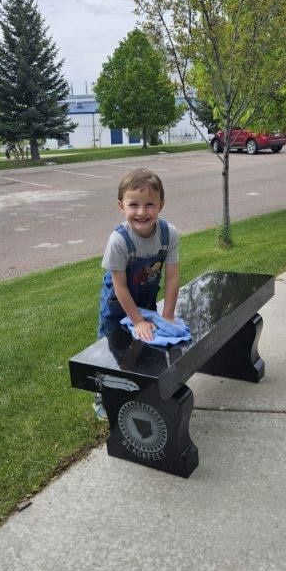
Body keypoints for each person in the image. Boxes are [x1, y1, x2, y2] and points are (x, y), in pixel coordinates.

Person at [93, 168, 180, 420]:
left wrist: (167, 316)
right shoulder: (118, 240)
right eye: (134, 205)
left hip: (145, 300)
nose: (142, 212)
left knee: (143, 347)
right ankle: (102, 394)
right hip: (117, 303)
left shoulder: (169, 234)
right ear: (121, 206)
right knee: (111, 350)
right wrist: (137, 320)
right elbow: (119, 286)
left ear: (161, 205)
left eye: (150, 204)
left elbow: (172, 276)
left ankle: (139, 387)